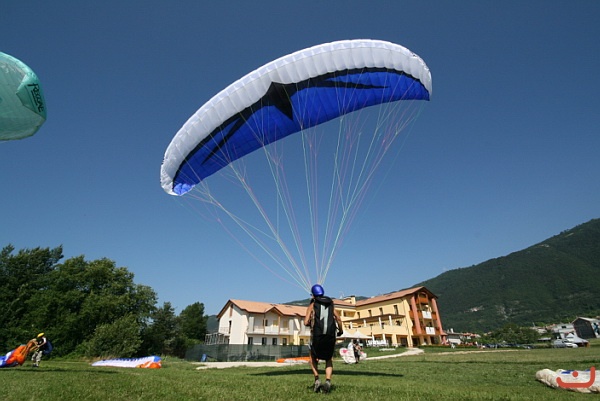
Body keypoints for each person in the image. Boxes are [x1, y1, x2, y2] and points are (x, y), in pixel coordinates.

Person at [304, 284, 343, 393]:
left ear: (313, 295)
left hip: (318, 335)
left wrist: (310, 323)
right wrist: (340, 330)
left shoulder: (313, 305)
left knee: (312, 357)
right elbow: (338, 318)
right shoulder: (331, 304)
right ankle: (328, 381)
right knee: (328, 359)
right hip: (330, 335)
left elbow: (305, 322)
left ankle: (317, 379)